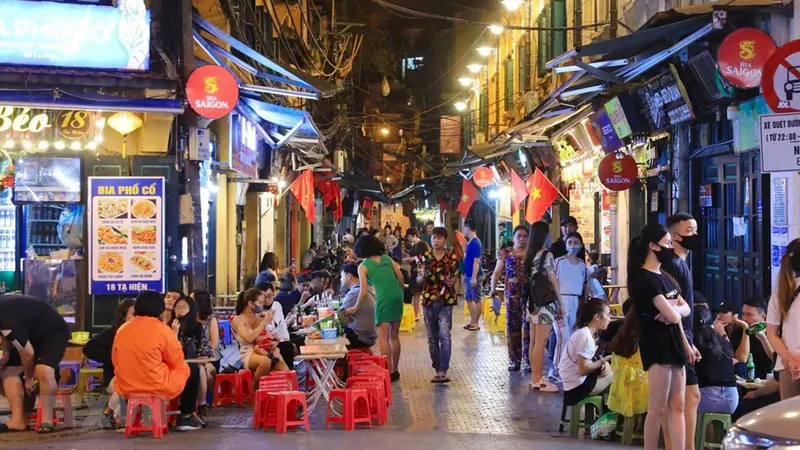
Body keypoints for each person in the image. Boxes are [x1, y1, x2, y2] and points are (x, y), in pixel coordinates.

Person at [627, 223, 693, 450]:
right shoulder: (642, 278)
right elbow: (673, 314)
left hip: (674, 343)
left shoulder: (665, 276)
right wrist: (675, 312)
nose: (669, 248)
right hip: (657, 345)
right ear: (652, 246)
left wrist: (675, 311)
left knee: (679, 404)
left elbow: (684, 310)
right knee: (658, 407)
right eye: (666, 244)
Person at [112, 290, 203, 431]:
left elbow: (115, 359)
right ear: (159, 308)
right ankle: (186, 417)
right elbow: (177, 360)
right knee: (190, 370)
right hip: (154, 384)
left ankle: (131, 419)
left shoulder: (122, 329)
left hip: (126, 385)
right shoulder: (162, 330)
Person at [0, 295, 70, 433]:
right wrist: (6, 354)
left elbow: (28, 354)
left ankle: (47, 419)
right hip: (27, 331)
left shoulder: (6, 319)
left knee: (43, 370)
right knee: (8, 370)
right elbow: (7, 334)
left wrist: (28, 378)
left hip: (52, 331)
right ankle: (18, 420)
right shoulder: (5, 317)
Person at [662, 212, 702, 450]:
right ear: (674, 236)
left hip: (683, 338)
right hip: (676, 339)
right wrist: (685, 342)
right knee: (678, 400)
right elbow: (672, 309)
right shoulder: (672, 265)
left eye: (695, 230)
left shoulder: (680, 263)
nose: (694, 235)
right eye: (689, 231)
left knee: (685, 399)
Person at [345, 235, 404, 381]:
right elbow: (401, 277)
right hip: (397, 296)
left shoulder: (363, 266)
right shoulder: (387, 258)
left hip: (383, 299)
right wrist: (399, 291)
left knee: (383, 338)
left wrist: (355, 307)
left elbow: (363, 291)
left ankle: (389, 372)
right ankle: (395, 370)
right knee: (395, 336)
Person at [83, 297, 136, 429]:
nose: (137, 318)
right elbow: (88, 348)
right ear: (123, 316)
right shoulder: (112, 333)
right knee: (126, 384)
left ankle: (110, 414)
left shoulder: (145, 333)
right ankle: (111, 415)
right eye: (134, 315)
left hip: (136, 376)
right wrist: (114, 357)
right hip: (115, 377)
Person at [524, 221, 563, 392]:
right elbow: (553, 280)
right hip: (545, 303)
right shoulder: (546, 255)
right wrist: (561, 303)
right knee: (542, 341)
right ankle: (539, 380)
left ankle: (535, 378)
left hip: (532, 302)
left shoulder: (529, 255)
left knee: (534, 341)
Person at [417, 226, 460, 383]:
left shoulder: (451, 259)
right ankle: (437, 367)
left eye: (439, 238)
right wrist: (421, 276)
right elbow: (418, 280)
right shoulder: (424, 258)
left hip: (445, 300)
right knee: (432, 337)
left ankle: (443, 371)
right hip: (428, 300)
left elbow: (456, 278)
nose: (436, 241)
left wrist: (453, 280)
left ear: (445, 240)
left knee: (444, 334)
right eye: (434, 237)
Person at [490, 225, 531, 372]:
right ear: (513, 237)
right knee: (513, 328)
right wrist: (492, 289)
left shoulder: (532, 254)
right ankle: (514, 361)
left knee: (528, 329)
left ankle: (529, 360)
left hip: (529, 297)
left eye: (525, 236)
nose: (522, 239)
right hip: (511, 296)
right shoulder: (506, 253)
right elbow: (496, 273)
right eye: (519, 236)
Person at [558, 297, 613, 405]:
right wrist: (604, 360)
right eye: (608, 315)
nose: (610, 319)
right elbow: (583, 369)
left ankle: (596, 416)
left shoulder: (583, 332)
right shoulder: (586, 337)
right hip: (576, 388)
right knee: (617, 378)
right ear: (597, 317)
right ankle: (605, 418)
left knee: (609, 372)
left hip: (572, 383)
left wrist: (602, 363)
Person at [231, 288, 290, 390]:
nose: (262, 305)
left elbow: (269, 334)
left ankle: (291, 391)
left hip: (265, 348)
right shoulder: (238, 320)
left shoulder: (260, 316)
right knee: (265, 361)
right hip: (248, 352)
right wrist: (263, 323)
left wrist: (274, 342)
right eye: (260, 303)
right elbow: (248, 339)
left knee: (279, 360)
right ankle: (256, 390)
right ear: (251, 304)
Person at [168, 295, 212, 426]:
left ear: (191, 309)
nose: (180, 310)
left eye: (183, 307)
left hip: (192, 363)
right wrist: (174, 334)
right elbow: (169, 352)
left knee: (200, 371)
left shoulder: (198, 327)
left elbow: (205, 352)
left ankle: (201, 407)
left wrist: (197, 359)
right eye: (177, 307)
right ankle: (184, 413)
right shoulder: (167, 327)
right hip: (172, 366)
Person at [550, 231, 588, 382]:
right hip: (561, 301)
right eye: (570, 242)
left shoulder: (582, 265)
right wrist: (558, 304)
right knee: (562, 337)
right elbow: (554, 283)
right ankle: (556, 369)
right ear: (565, 245)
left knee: (571, 338)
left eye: (576, 243)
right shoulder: (559, 261)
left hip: (575, 302)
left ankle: (565, 367)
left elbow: (583, 284)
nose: (573, 246)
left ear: (580, 245)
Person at [766, 238, 800, 399]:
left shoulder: (781, 292)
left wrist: (789, 359)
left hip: (787, 366)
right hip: (791, 365)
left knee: (791, 421)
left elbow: (771, 333)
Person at [606, 301, 649, 418]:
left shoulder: (619, 335)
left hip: (619, 387)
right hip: (642, 389)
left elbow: (614, 364)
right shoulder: (647, 337)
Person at [694, 304, 739, 415]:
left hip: (708, 398)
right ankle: (711, 433)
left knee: (675, 402)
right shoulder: (721, 338)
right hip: (732, 399)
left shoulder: (693, 339)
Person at [191, 289, 218, 423]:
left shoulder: (210, 320)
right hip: (191, 357)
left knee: (206, 374)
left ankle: (205, 403)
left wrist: (203, 353)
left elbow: (214, 344)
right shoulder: (187, 318)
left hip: (209, 357)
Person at [731, 297, 774, 380]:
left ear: (763, 316)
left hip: (770, 378)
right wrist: (745, 329)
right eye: (743, 314)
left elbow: (775, 358)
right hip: (746, 379)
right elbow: (742, 359)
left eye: (749, 314)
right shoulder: (738, 332)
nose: (744, 318)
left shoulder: (773, 332)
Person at [340, 263, 378, 348]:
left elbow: (340, 317)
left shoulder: (355, 292)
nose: (340, 280)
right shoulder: (362, 289)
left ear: (349, 276)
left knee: (329, 337)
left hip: (361, 337)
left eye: (342, 276)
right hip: (368, 336)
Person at [258, 283, 294, 370]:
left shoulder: (277, 305)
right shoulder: (258, 309)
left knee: (299, 340)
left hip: (279, 338)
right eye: (264, 297)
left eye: (269, 296)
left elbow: (279, 325)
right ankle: (289, 372)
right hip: (266, 342)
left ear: (274, 294)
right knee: (287, 346)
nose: (267, 299)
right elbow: (269, 329)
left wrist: (285, 337)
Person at [463, 219, 484, 331]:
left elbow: (477, 261)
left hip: (474, 275)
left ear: (468, 228)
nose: (463, 230)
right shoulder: (470, 242)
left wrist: (474, 277)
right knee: (468, 298)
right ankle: (472, 321)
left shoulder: (476, 242)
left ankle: (475, 323)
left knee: (476, 299)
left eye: (464, 228)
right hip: (469, 274)